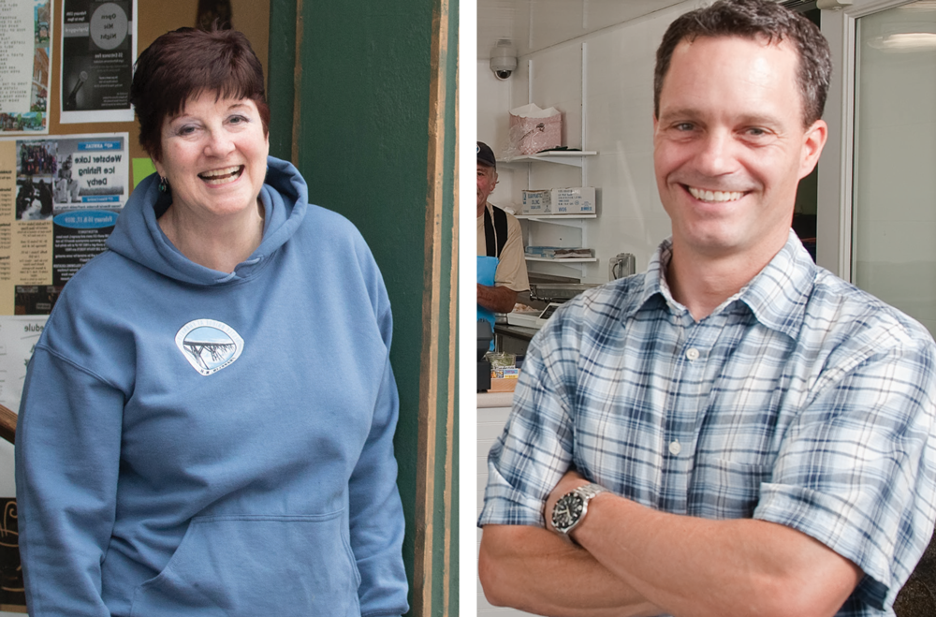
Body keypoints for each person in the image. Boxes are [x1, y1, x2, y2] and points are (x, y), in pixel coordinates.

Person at [477, 1, 936, 616]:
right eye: (687, 125)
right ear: (657, 131)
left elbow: (785, 592)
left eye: (755, 129)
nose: (715, 160)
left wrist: (577, 505)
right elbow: (506, 569)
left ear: (809, 146)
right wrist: (725, 570)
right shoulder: (576, 336)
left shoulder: (874, 349)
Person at [15, 27, 408, 617]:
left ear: (265, 129)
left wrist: (383, 605)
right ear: (155, 149)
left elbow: (372, 468)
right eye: (187, 127)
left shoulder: (341, 255)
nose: (219, 146)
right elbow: (61, 521)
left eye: (236, 117)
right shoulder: (99, 308)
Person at [476, 140, 529, 322]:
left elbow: (507, 301)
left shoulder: (505, 226)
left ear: (493, 182)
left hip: (479, 345)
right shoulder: (433, 223)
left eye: (479, 174)